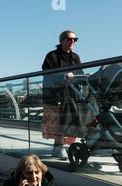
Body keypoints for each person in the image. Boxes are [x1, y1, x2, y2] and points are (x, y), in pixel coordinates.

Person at [42, 30, 83, 160]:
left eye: (74, 39)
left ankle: (62, 146)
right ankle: (58, 147)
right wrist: (63, 75)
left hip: (71, 95)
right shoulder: (52, 56)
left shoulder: (75, 57)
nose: (72, 42)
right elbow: (47, 72)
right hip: (55, 95)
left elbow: (80, 73)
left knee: (71, 120)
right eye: (69, 39)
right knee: (59, 121)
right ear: (62, 41)